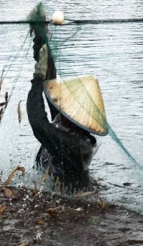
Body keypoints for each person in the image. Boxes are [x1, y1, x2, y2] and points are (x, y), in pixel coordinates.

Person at [26, 4, 109, 189]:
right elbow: (51, 85)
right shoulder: (68, 123)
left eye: (68, 105)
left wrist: (36, 80)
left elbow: (38, 123)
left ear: (76, 116)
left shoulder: (76, 144)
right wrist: (42, 39)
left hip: (64, 194)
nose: (63, 105)